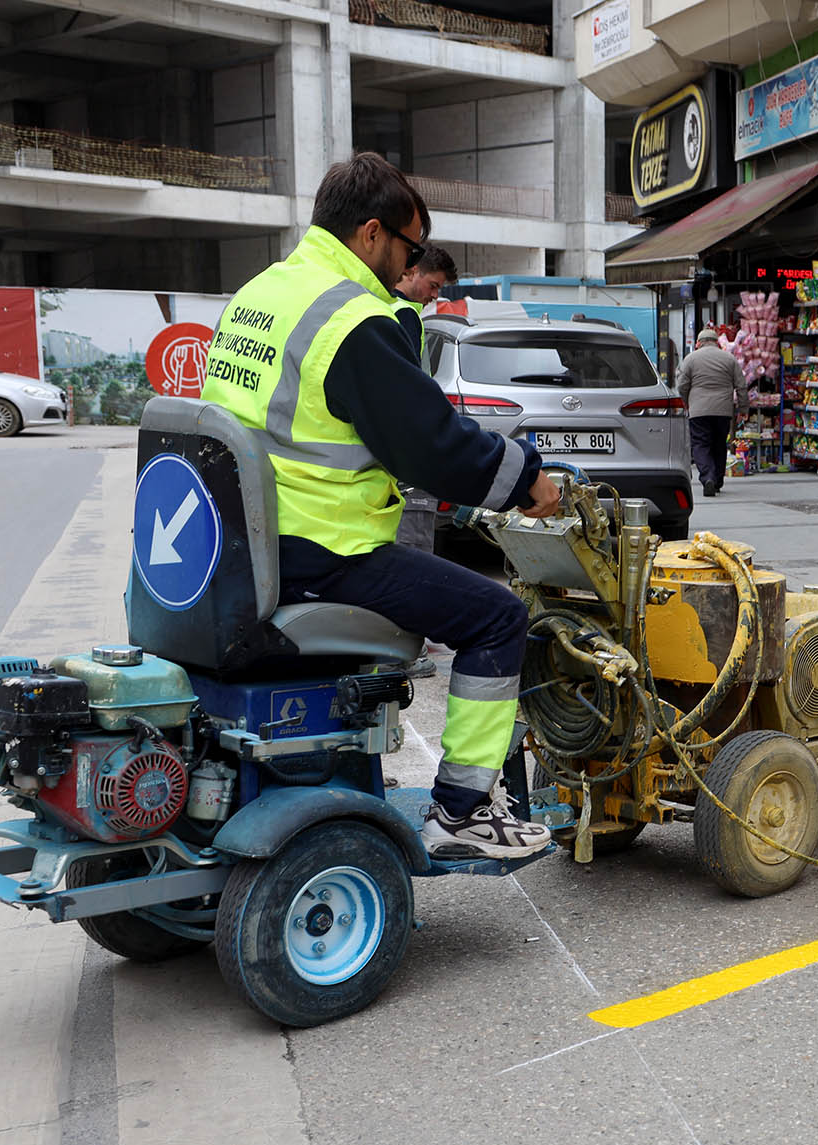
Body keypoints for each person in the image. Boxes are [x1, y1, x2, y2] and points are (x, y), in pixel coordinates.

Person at [199, 152, 559, 859]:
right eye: (410, 246)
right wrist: (528, 481)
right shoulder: (351, 317)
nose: (411, 264)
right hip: (320, 550)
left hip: (242, 543)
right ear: (370, 233)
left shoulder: (262, 292)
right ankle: (462, 815)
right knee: (497, 616)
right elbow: (432, 445)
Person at [388, 242, 458, 556]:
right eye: (433, 286)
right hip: (409, 464)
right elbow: (410, 392)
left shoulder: (382, 306)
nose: (435, 296)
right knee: (413, 551)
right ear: (413, 271)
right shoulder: (404, 315)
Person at [674, 326, 744, 497]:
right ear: (717, 343)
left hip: (698, 410)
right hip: (723, 411)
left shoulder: (690, 359)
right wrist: (743, 408)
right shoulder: (729, 359)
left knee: (700, 444)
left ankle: (707, 478)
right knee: (719, 445)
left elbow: (682, 385)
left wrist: (685, 403)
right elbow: (741, 385)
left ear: (698, 343)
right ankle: (718, 481)